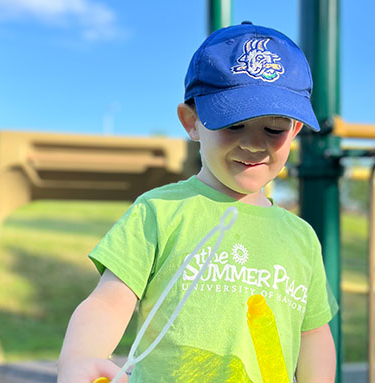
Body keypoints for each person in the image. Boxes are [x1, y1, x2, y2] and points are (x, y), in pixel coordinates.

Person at [58, 21, 338, 383]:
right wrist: (79, 357)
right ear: (192, 122)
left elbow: (313, 333)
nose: (254, 145)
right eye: (233, 125)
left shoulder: (301, 237)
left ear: (295, 130)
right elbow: (110, 301)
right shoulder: (159, 211)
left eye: (273, 129)